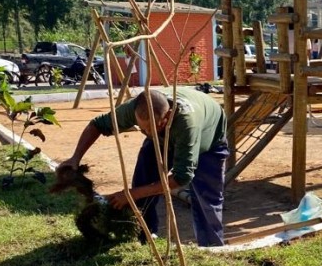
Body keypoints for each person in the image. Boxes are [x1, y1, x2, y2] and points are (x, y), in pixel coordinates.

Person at [58, 88, 229, 247]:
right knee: (143, 181)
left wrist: (132, 194)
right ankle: (144, 237)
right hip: (166, 138)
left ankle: (212, 248)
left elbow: (181, 178)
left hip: (209, 140)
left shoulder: (187, 123)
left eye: (153, 128)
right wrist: (75, 158)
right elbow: (96, 125)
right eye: (143, 129)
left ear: (167, 116)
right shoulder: (135, 108)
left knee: (205, 199)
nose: (147, 133)